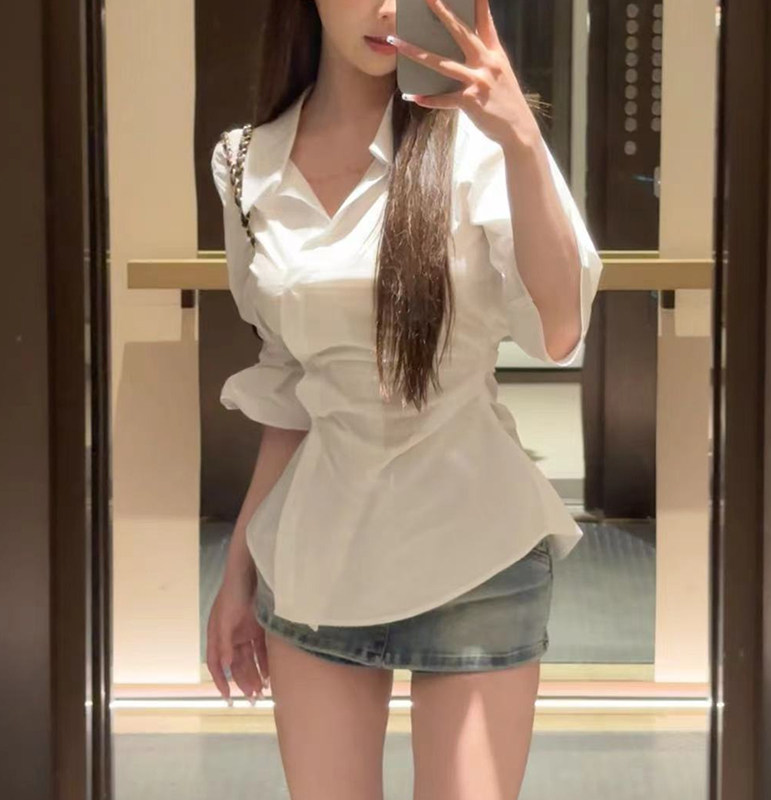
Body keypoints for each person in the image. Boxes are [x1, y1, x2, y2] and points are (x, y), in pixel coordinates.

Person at [206, 1, 603, 798]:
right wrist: (237, 572)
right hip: (318, 562)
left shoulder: (478, 142)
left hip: (476, 557)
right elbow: (291, 389)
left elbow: (559, 328)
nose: (388, 5)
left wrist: (521, 139)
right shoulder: (249, 162)